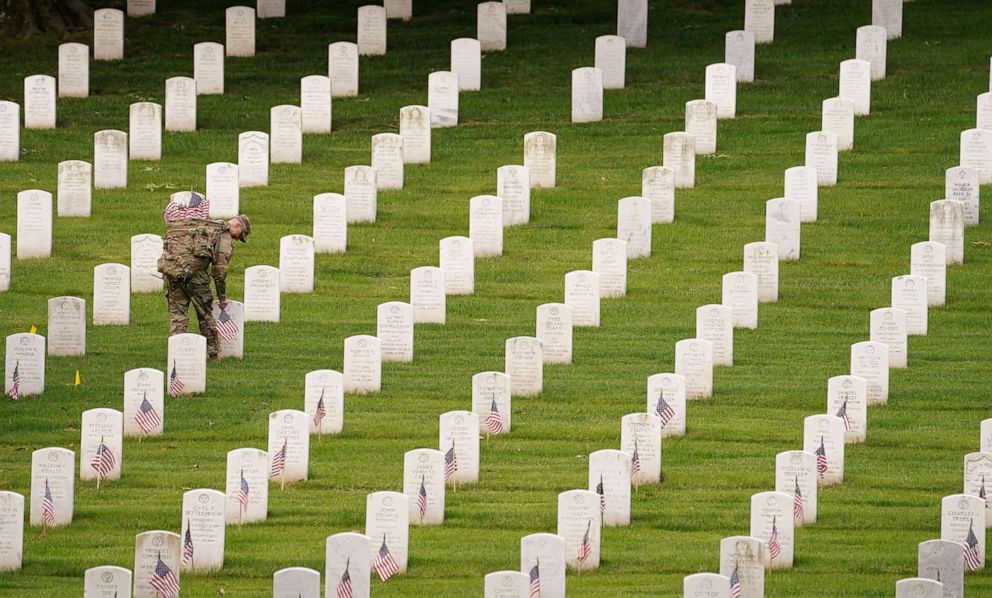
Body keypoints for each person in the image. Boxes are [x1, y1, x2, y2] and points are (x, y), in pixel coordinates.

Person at [164, 214, 251, 360]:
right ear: (236, 225)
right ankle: (213, 354)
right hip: (196, 277)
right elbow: (219, 270)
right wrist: (221, 296)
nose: (237, 238)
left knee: (178, 316)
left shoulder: (202, 224)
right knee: (205, 315)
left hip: (173, 271)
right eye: (240, 235)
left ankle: (178, 353)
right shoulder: (223, 235)